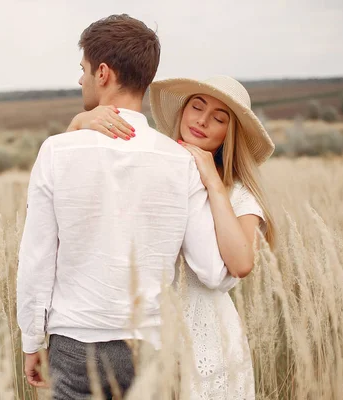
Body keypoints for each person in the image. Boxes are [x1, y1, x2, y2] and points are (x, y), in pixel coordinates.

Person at [16, 14, 238, 400]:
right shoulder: (180, 160)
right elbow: (212, 271)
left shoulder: (57, 151)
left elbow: (37, 257)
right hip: (148, 344)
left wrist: (32, 339)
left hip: (76, 341)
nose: (81, 80)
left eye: (83, 70)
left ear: (103, 73)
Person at [67, 75, 276, 399]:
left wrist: (212, 183)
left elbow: (241, 263)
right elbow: (77, 196)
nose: (203, 121)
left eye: (219, 118)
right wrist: (80, 123)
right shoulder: (153, 165)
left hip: (209, 339)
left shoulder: (239, 195)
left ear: (228, 134)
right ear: (183, 111)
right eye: (197, 107)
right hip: (143, 333)